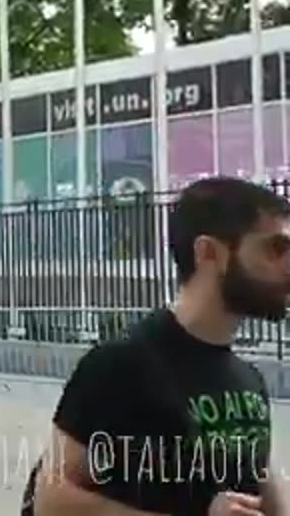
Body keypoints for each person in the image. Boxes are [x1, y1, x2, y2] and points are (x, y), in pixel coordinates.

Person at [27, 177, 290, 516]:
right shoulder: (121, 364)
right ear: (209, 253)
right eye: (276, 248)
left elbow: (258, 479)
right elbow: (51, 500)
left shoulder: (248, 379)